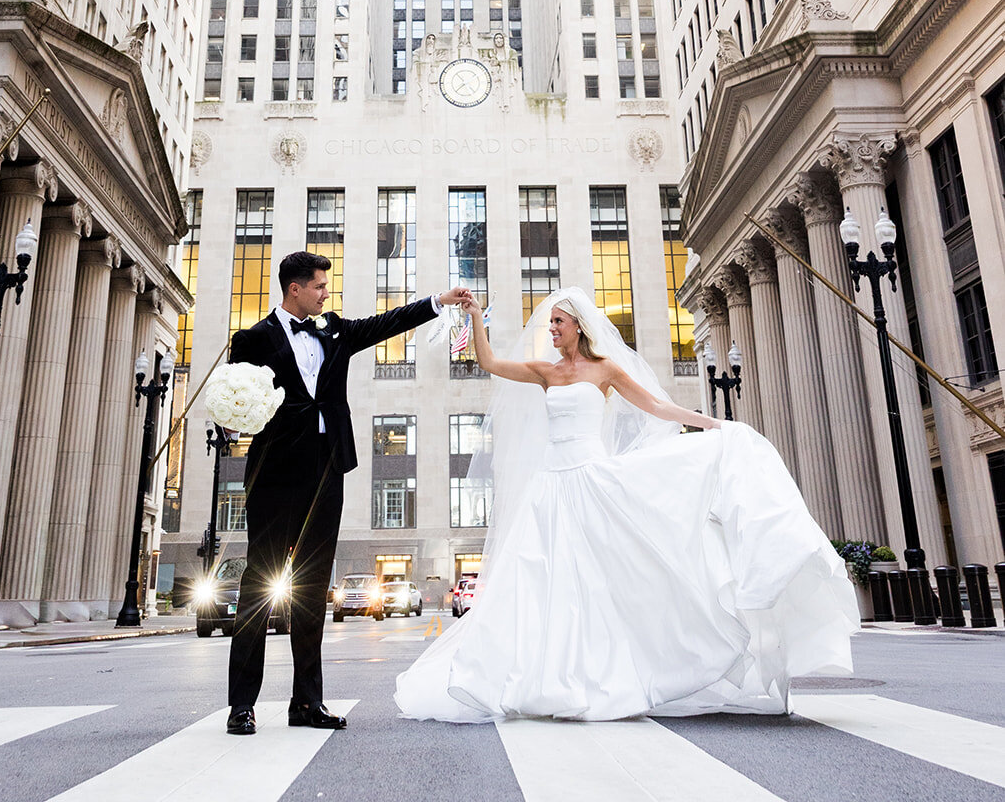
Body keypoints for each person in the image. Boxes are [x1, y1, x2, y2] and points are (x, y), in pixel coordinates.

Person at [395, 287, 858, 723]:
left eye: (558, 321)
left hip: (593, 481)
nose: (551, 328)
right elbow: (490, 362)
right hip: (551, 488)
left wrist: (711, 425)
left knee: (605, 580)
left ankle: (620, 668)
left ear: (578, 325)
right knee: (543, 580)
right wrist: (476, 317)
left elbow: (656, 407)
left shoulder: (606, 370)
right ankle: (544, 677)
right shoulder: (546, 372)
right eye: (550, 322)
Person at [225, 250, 471, 735]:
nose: (324, 293)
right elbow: (238, 401)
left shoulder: (335, 330)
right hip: (274, 474)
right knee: (258, 586)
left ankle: (306, 703)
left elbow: (387, 322)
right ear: (294, 288)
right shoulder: (251, 340)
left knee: (313, 590)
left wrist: (438, 302)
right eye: (318, 285)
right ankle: (241, 705)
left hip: (326, 471)